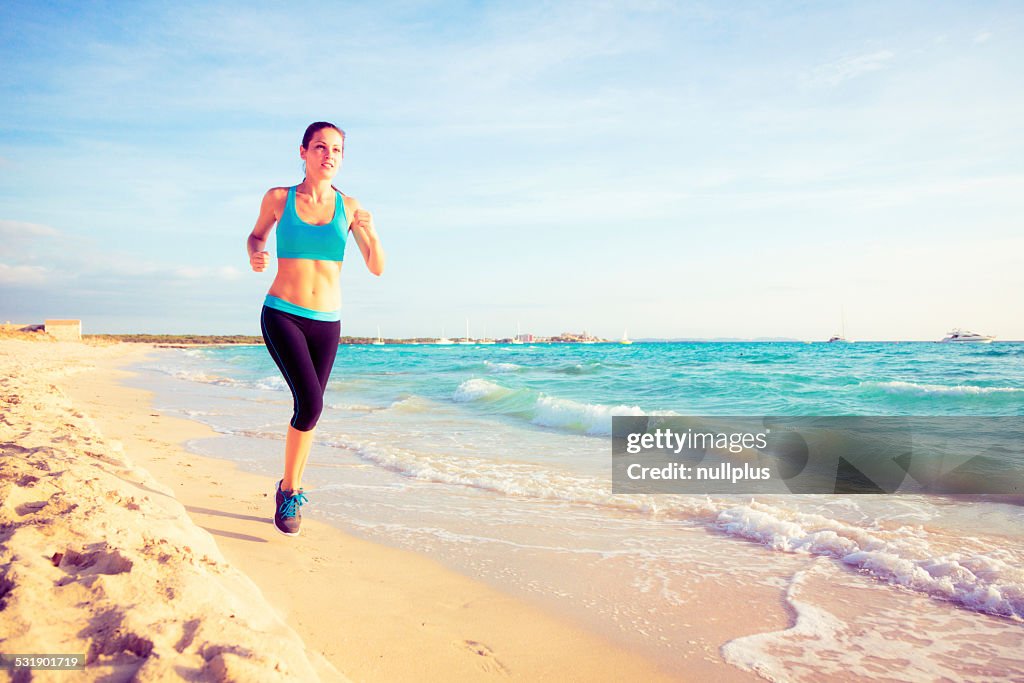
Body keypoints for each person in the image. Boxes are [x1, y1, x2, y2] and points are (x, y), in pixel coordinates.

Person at [246, 121, 385, 536]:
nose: (329, 155)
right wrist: (257, 253)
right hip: (282, 313)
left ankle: (289, 487)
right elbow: (255, 237)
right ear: (303, 152)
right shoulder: (278, 198)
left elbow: (376, 266)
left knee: (309, 410)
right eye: (320, 147)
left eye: (337, 150)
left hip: (327, 322)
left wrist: (370, 230)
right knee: (311, 404)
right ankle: (290, 492)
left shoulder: (350, 207)